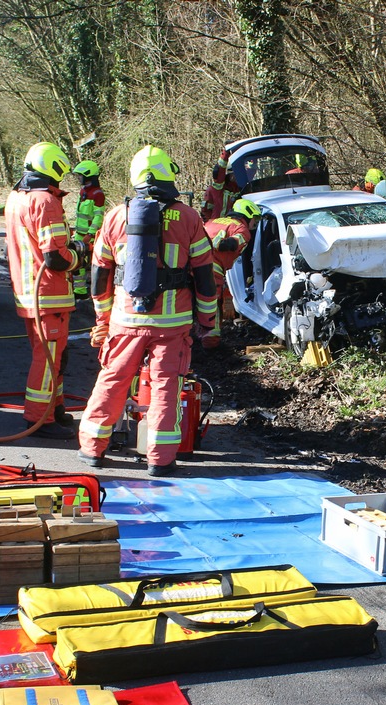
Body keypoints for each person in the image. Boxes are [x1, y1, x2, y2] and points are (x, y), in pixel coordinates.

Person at [78, 145, 217, 475]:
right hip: (173, 323)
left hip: (125, 319)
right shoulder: (188, 217)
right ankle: (160, 458)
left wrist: (102, 318)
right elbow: (204, 275)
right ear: (168, 175)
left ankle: (92, 448)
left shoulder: (115, 216)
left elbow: (99, 273)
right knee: (166, 386)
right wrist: (207, 320)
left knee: (112, 379)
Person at [4, 141, 86, 439]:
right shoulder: (45, 201)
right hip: (48, 293)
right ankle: (40, 419)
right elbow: (55, 257)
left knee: (54, 356)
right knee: (49, 358)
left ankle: (56, 407)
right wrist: (80, 255)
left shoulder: (17, 197)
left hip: (30, 293)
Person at [200, 198, 260, 348]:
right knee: (212, 305)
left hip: (192, 266)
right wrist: (218, 244)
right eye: (255, 219)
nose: (255, 224)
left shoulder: (212, 222)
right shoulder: (241, 229)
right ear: (248, 215)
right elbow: (231, 244)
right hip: (212, 269)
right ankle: (210, 343)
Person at [70, 160, 105, 299]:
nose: (78, 178)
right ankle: (80, 291)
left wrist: (90, 234)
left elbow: (98, 217)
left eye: (80, 176)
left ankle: (90, 293)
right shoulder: (83, 191)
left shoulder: (97, 194)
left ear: (88, 175)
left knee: (88, 264)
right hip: (79, 235)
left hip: (88, 237)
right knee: (78, 265)